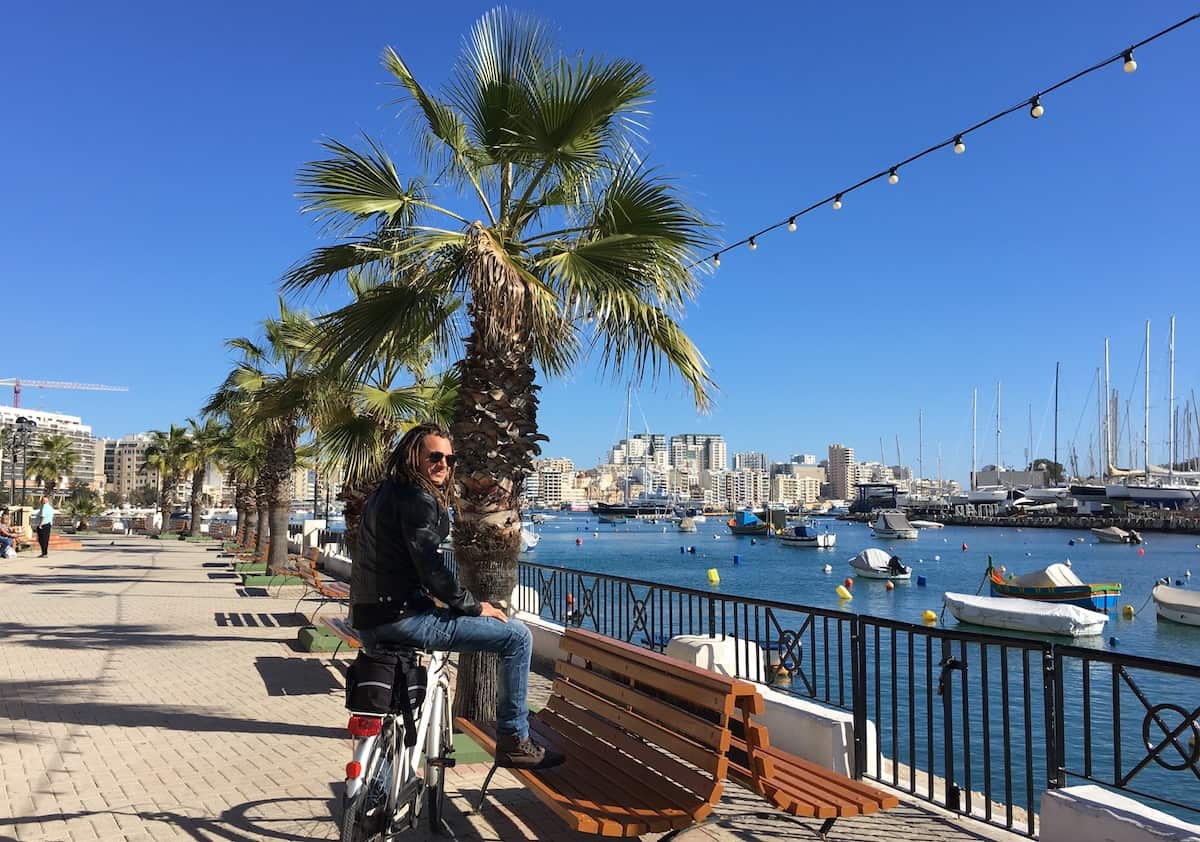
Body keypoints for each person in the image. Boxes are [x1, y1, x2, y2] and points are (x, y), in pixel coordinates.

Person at [351, 424, 564, 770]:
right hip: (404, 620)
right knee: (518, 637)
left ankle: (382, 781)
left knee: (393, 706)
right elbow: (431, 568)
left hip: (367, 618)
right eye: (435, 457)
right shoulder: (418, 499)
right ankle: (514, 739)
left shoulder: (382, 495)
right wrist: (473, 606)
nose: (443, 465)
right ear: (413, 456)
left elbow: (397, 562)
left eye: (449, 459)